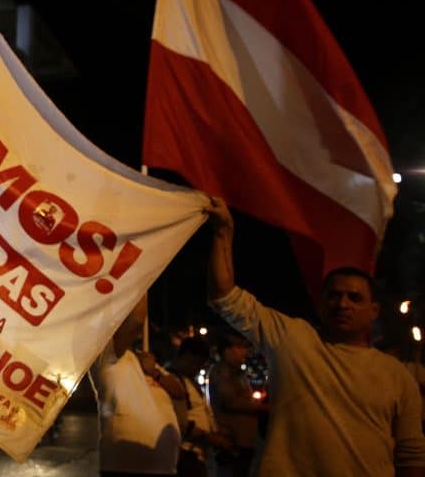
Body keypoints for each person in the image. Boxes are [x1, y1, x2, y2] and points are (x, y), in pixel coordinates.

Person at [206, 198, 425, 476]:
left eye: (354, 298)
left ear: (374, 311)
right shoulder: (290, 337)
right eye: (334, 295)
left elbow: (411, 454)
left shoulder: (397, 376)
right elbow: (223, 297)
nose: (342, 304)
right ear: (321, 304)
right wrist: (223, 231)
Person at [90, 294, 184, 476]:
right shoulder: (106, 354)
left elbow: (178, 391)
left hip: (163, 466)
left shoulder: (144, 359)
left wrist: (154, 372)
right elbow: (136, 320)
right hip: (125, 466)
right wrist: (139, 282)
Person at [166, 336, 234, 476]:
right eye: (195, 363)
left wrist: (216, 432)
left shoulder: (189, 381)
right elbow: (178, 422)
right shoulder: (172, 381)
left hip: (196, 454)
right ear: (185, 356)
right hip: (185, 455)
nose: (197, 368)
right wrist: (210, 437)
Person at [207, 332, 265, 477]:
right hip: (233, 440)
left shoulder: (237, 373)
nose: (244, 351)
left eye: (244, 347)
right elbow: (231, 401)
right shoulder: (223, 371)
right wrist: (263, 407)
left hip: (243, 440)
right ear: (226, 351)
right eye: (239, 347)